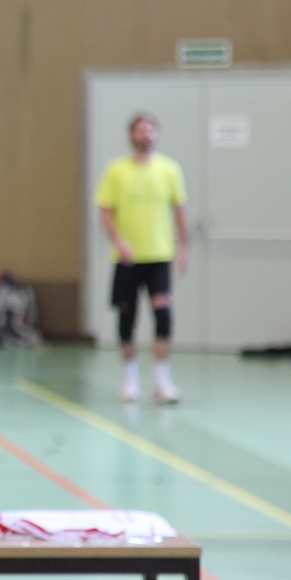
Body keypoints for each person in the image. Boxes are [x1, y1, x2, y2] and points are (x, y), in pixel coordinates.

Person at [96, 113, 189, 404]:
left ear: (156, 135)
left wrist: (183, 247)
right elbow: (106, 212)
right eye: (140, 130)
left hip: (159, 256)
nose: (145, 134)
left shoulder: (169, 170)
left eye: (150, 130)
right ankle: (130, 378)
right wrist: (119, 241)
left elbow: (179, 210)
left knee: (163, 315)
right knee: (127, 318)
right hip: (127, 259)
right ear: (131, 135)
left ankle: (161, 380)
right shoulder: (116, 171)